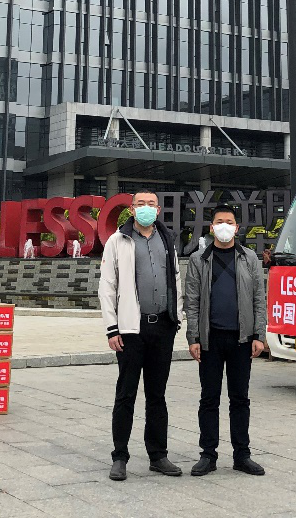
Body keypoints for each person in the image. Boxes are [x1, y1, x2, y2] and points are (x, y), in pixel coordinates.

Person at [99, 190, 183, 481]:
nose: (146, 208)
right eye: (140, 204)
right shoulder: (118, 240)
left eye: (151, 204)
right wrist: (112, 328)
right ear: (132, 209)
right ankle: (119, 456)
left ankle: (158, 455)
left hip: (162, 327)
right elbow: (107, 286)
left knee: (157, 395)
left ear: (158, 210)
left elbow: (175, 278)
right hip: (131, 331)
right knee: (126, 394)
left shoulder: (167, 239)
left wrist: (176, 317)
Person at [184, 204, 267, 477]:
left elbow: (259, 299)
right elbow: (191, 301)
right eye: (219, 221)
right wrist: (193, 337)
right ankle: (208, 455)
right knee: (209, 399)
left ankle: (242, 455)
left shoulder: (249, 258)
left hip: (242, 340)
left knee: (239, 399)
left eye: (229, 222)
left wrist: (259, 335)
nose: (224, 226)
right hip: (210, 340)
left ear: (236, 227)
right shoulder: (199, 259)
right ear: (211, 227)